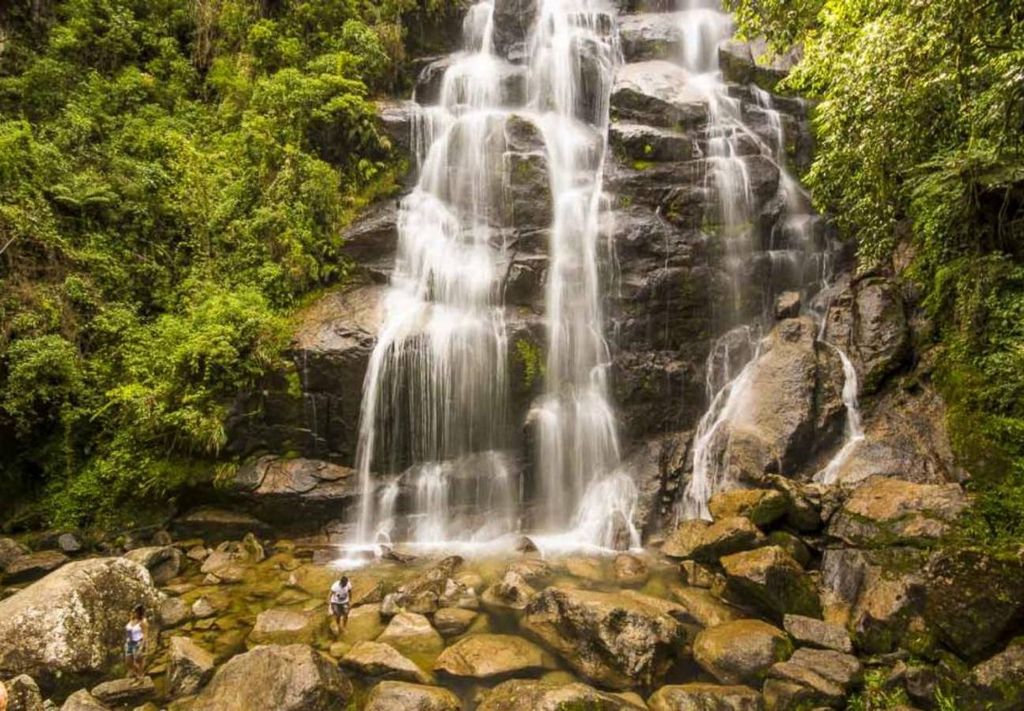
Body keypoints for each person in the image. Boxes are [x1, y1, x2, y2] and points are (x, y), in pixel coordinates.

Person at [124, 604, 149, 679]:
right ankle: (137, 675)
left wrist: (142, 646)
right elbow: (128, 631)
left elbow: (145, 635)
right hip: (129, 643)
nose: (133, 613)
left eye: (135, 611)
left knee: (138, 661)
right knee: (128, 662)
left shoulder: (143, 622)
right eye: (133, 611)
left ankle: (140, 677)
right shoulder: (131, 620)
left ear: (139, 612)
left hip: (138, 642)